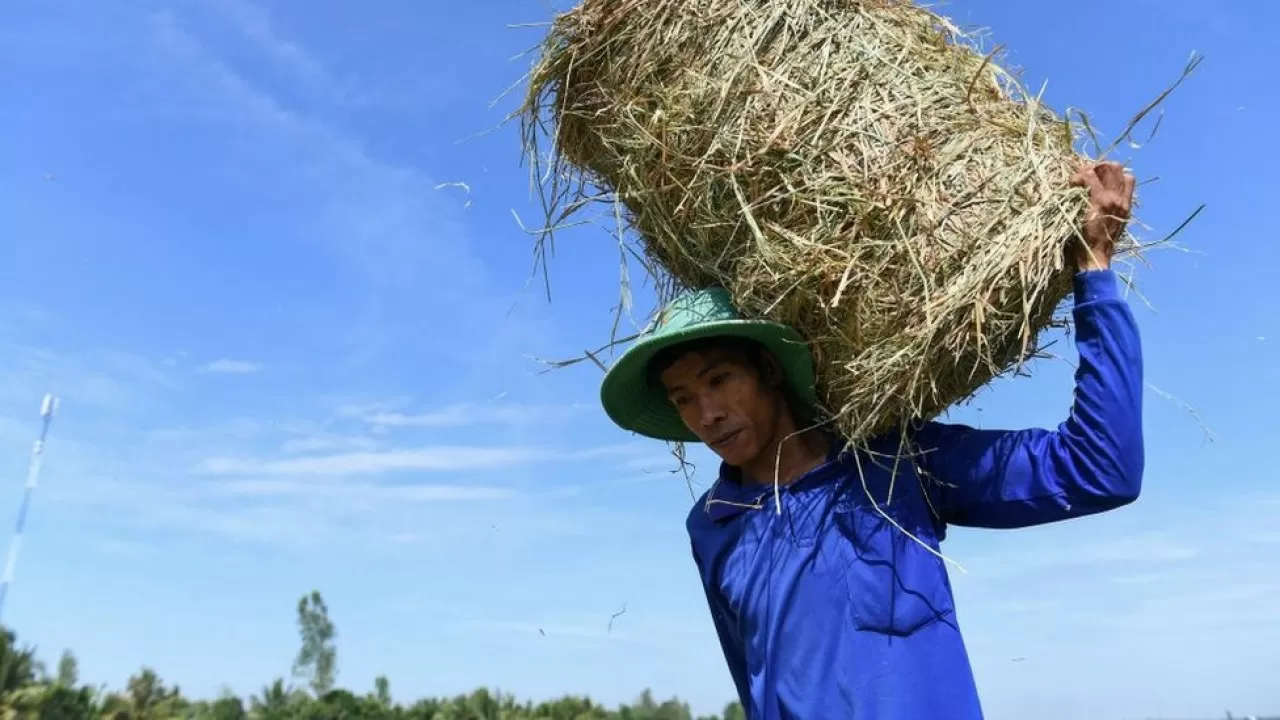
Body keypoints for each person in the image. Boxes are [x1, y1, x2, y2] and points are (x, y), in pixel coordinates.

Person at [597, 161, 1142, 719]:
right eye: (683, 398)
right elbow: (754, 685)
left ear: (769, 370)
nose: (706, 414)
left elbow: (1100, 469)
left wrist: (1093, 275)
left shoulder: (897, 464)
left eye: (719, 380)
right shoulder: (713, 526)